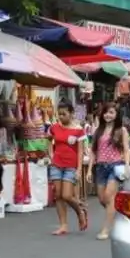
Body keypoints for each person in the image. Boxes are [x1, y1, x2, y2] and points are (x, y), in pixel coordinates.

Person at [87, 102, 130, 240]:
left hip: (115, 166)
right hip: (100, 167)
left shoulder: (121, 130)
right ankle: (116, 213)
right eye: (106, 112)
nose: (108, 115)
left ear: (116, 115)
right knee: (102, 199)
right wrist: (89, 170)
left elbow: (126, 149)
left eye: (111, 112)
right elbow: (93, 151)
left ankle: (106, 230)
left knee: (108, 196)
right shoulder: (98, 130)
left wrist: (126, 165)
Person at [47, 101, 88, 236]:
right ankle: (63, 225)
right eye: (59, 114)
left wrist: (79, 170)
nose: (61, 117)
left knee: (67, 195)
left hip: (71, 166)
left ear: (71, 114)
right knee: (58, 195)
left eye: (64, 114)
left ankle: (80, 211)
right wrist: (51, 155)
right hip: (56, 165)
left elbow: (81, 151)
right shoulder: (54, 128)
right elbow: (48, 140)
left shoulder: (78, 130)